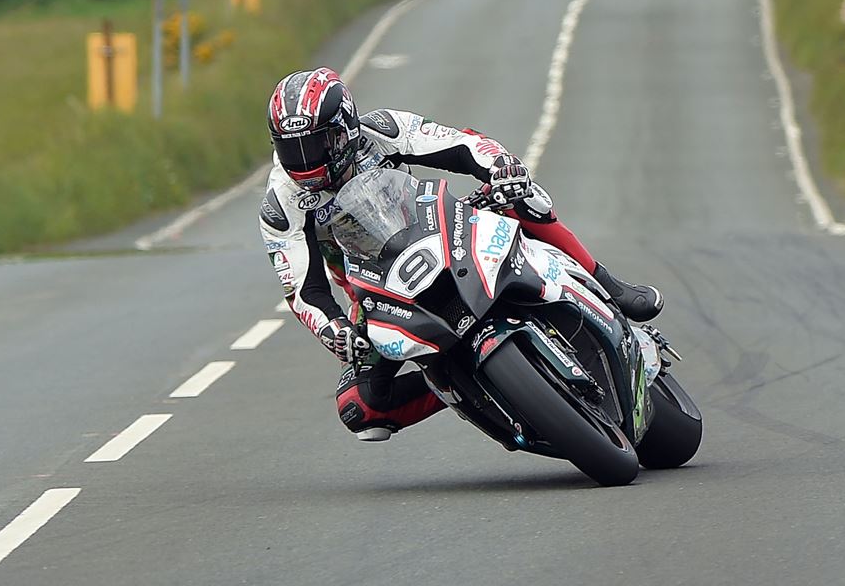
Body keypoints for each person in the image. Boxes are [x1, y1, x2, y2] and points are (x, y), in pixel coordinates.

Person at [259, 68, 662, 442]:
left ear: (345, 127)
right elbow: (302, 288)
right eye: (292, 150)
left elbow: (460, 144)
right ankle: (455, 384)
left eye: (316, 144)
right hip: (374, 287)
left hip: (440, 230)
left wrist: (500, 166)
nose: (306, 162)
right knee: (359, 409)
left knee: (522, 198)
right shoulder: (282, 203)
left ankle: (608, 284)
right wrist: (334, 331)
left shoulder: (382, 130)